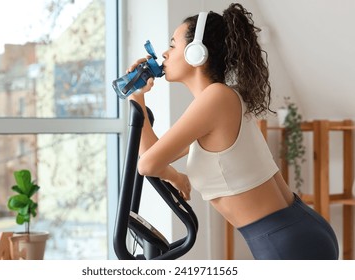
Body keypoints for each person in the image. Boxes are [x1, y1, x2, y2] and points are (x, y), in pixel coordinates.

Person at [127, 3, 339, 260]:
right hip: (289, 233)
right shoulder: (217, 101)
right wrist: (137, 96)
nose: (164, 54)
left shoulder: (217, 98)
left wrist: (177, 177)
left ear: (196, 53)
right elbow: (152, 155)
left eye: (173, 45)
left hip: (286, 241)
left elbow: (148, 164)